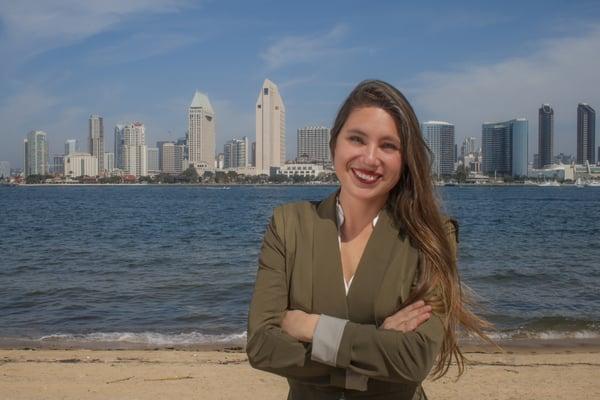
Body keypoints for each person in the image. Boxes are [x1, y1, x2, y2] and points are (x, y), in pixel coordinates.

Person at [247, 79, 490, 399]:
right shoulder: (288, 225)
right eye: (357, 139)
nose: (370, 157)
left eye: (388, 146)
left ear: (404, 160)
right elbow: (263, 346)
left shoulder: (433, 236)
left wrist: (314, 328)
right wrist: (378, 342)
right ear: (335, 144)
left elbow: (414, 359)